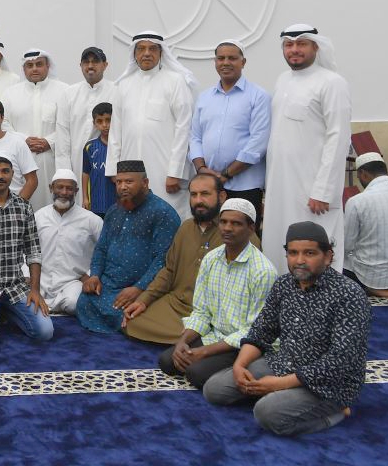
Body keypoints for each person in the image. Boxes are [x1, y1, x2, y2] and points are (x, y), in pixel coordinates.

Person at [203, 222, 370, 436]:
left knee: (267, 413)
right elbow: (261, 331)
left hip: (330, 382)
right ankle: (282, 396)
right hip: (285, 363)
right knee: (214, 390)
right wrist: (239, 365)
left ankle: (336, 411)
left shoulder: (349, 295)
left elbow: (340, 360)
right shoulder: (284, 285)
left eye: (309, 253)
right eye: (293, 253)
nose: (299, 260)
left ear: (328, 256)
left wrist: (279, 384)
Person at [123, 174, 260, 343]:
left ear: (221, 196)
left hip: (215, 314)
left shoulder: (238, 233)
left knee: (222, 332)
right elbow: (169, 271)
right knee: (133, 320)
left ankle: (201, 337)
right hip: (177, 305)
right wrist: (144, 300)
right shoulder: (186, 228)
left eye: (205, 194)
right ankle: (195, 339)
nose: (198, 200)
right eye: (194, 195)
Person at [155, 199, 275, 389]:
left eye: (236, 223)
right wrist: (182, 342)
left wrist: (204, 352)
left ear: (251, 228)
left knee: (195, 373)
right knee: (167, 361)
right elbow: (201, 311)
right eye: (223, 222)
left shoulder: (263, 271)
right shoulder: (211, 259)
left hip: (243, 345)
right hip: (214, 335)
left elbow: (253, 330)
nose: (227, 228)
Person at [263, 24, 352, 273]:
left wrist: (323, 190)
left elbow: (339, 137)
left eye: (301, 44)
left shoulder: (332, 83)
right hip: (280, 186)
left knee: (315, 246)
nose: (294, 50)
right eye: (289, 45)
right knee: (278, 241)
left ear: (316, 46)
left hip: (312, 190)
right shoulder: (282, 81)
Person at [76, 160, 181, 334]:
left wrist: (139, 288)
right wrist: (94, 276)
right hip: (108, 286)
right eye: (119, 182)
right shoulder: (113, 211)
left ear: (145, 183)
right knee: (84, 302)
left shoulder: (163, 213)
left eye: (129, 182)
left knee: (133, 313)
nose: (123, 187)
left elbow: (163, 259)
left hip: (140, 288)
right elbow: (101, 248)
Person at [106, 31, 197, 217]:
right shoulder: (124, 85)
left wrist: (175, 172)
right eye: (141, 49)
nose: (146, 53)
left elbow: (184, 128)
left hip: (164, 170)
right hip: (130, 168)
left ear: (161, 52)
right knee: (134, 215)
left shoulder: (175, 81)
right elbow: (115, 132)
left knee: (168, 215)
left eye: (152, 49)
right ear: (134, 53)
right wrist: (115, 170)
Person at [0, 156, 53, 343]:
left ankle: (6, 310)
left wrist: (35, 290)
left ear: (12, 174)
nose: (0, 176)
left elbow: (33, 251)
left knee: (45, 332)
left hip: (16, 286)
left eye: (5, 171)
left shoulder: (24, 206)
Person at [190, 40, 271, 226]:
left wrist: (225, 175)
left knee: (242, 235)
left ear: (243, 62)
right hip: (209, 186)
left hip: (245, 186)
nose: (226, 63)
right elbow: (195, 137)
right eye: (221, 58)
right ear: (215, 62)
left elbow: (258, 143)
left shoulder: (259, 96)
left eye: (232, 58)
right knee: (209, 234)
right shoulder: (204, 97)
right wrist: (201, 169)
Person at [2, 49, 68, 210]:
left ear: (48, 66)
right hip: (20, 158)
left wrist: (49, 141)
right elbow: (3, 122)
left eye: (39, 64)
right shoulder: (10, 93)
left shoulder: (64, 91)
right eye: (30, 65)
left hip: (52, 158)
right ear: (24, 69)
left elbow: (69, 124)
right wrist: (23, 140)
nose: (34, 69)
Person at [34, 169, 104, 314]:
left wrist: (90, 274)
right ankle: (49, 307)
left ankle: (45, 309)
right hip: (41, 279)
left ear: (76, 191)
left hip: (73, 281)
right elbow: (24, 249)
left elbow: (105, 250)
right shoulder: (38, 217)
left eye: (69, 188)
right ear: (51, 188)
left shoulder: (92, 220)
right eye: (59, 187)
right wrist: (28, 276)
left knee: (73, 303)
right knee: (22, 298)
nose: (64, 192)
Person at [57, 46, 119, 174]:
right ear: (81, 66)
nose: (90, 66)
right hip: (76, 163)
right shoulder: (69, 94)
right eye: (86, 62)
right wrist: (64, 171)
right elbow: (62, 135)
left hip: (109, 162)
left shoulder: (117, 91)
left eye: (95, 61)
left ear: (105, 65)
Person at [343, 152, 388, 297]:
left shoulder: (357, 201)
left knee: (339, 260)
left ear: (364, 174)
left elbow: (347, 245)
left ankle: (368, 293)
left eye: (359, 176)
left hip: (369, 277)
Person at [81, 102, 116, 216]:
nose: (105, 125)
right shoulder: (89, 147)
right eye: (100, 121)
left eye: (108, 120)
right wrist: (85, 198)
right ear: (94, 123)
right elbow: (85, 173)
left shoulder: (122, 145)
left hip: (118, 204)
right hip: (96, 202)